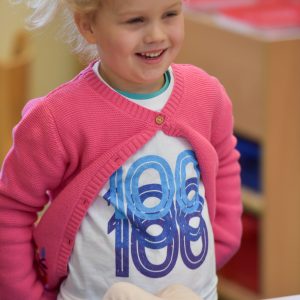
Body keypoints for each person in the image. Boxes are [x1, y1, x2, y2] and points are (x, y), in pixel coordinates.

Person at [0, 0, 242, 299]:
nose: (156, 34)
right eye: (135, 21)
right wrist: (24, 294)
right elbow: (11, 210)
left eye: (170, 14)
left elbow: (224, 161)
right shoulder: (56, 119)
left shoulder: (206, 93)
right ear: (88, 26)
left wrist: (224, 238)